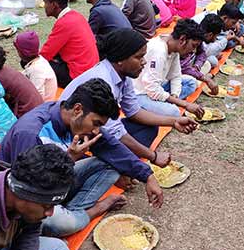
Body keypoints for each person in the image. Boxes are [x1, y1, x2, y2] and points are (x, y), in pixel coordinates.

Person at [0, 78, 164, 237]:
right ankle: (91, 212)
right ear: (77, 110)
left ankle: (73, 211)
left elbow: (112, 147)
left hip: (56, 184)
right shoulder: (31, 133)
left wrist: (147, 175)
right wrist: (69, 159)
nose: (97, 131)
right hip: (30, 197)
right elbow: (27, 190)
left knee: (112, 164)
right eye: (96, 123)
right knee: (59, 223)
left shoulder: (74, 120)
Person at [60, 28, 199, 173]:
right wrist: (153, 156)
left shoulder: (123, 76)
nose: (144, 62)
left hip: (97, 130)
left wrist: (173, 121)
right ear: (121, 59)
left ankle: (115, 164)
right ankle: (108, 166)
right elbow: (112, 132)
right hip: (77, 134)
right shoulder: (103, 81)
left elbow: (134, 112)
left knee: (149, 128)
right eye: (139, 57)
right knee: (107, 139)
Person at [133, 19, 206, 118]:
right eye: (193, 46)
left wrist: (175, 95)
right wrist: (184, 104)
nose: (193, 51)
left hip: (157, 87)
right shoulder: (159, 51)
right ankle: (158, 106)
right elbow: (152, 89)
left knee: (191, 82)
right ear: (182, 39)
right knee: (174, 112)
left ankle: (163, 103)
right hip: (140, 93)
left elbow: (176, 76)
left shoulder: (174, 48)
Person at [38, 0, 100, 87]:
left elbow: (44, 55)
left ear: (54, 5)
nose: (44, 6)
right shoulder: (76, 16)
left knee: (34, 64)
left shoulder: (64, 23)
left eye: (46, 2)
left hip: (78, 75)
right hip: (91, 70)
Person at [181, 14, 225, 95]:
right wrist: (205, 78)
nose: (215, 39)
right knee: (192, 83)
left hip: (190, 66)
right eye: (216, 36)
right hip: (181, 70)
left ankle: (196, 75)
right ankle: (197, 77)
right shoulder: (184, 43)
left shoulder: (198, 36)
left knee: (209, 63)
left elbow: (202, 53)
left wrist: (197, 66)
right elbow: (183, 67)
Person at [13, 31, 57, 101]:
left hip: (44, 105)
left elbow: (38, 97)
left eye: (18, 51)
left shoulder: (36, 70)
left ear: (22, 53)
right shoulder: (39, 59)